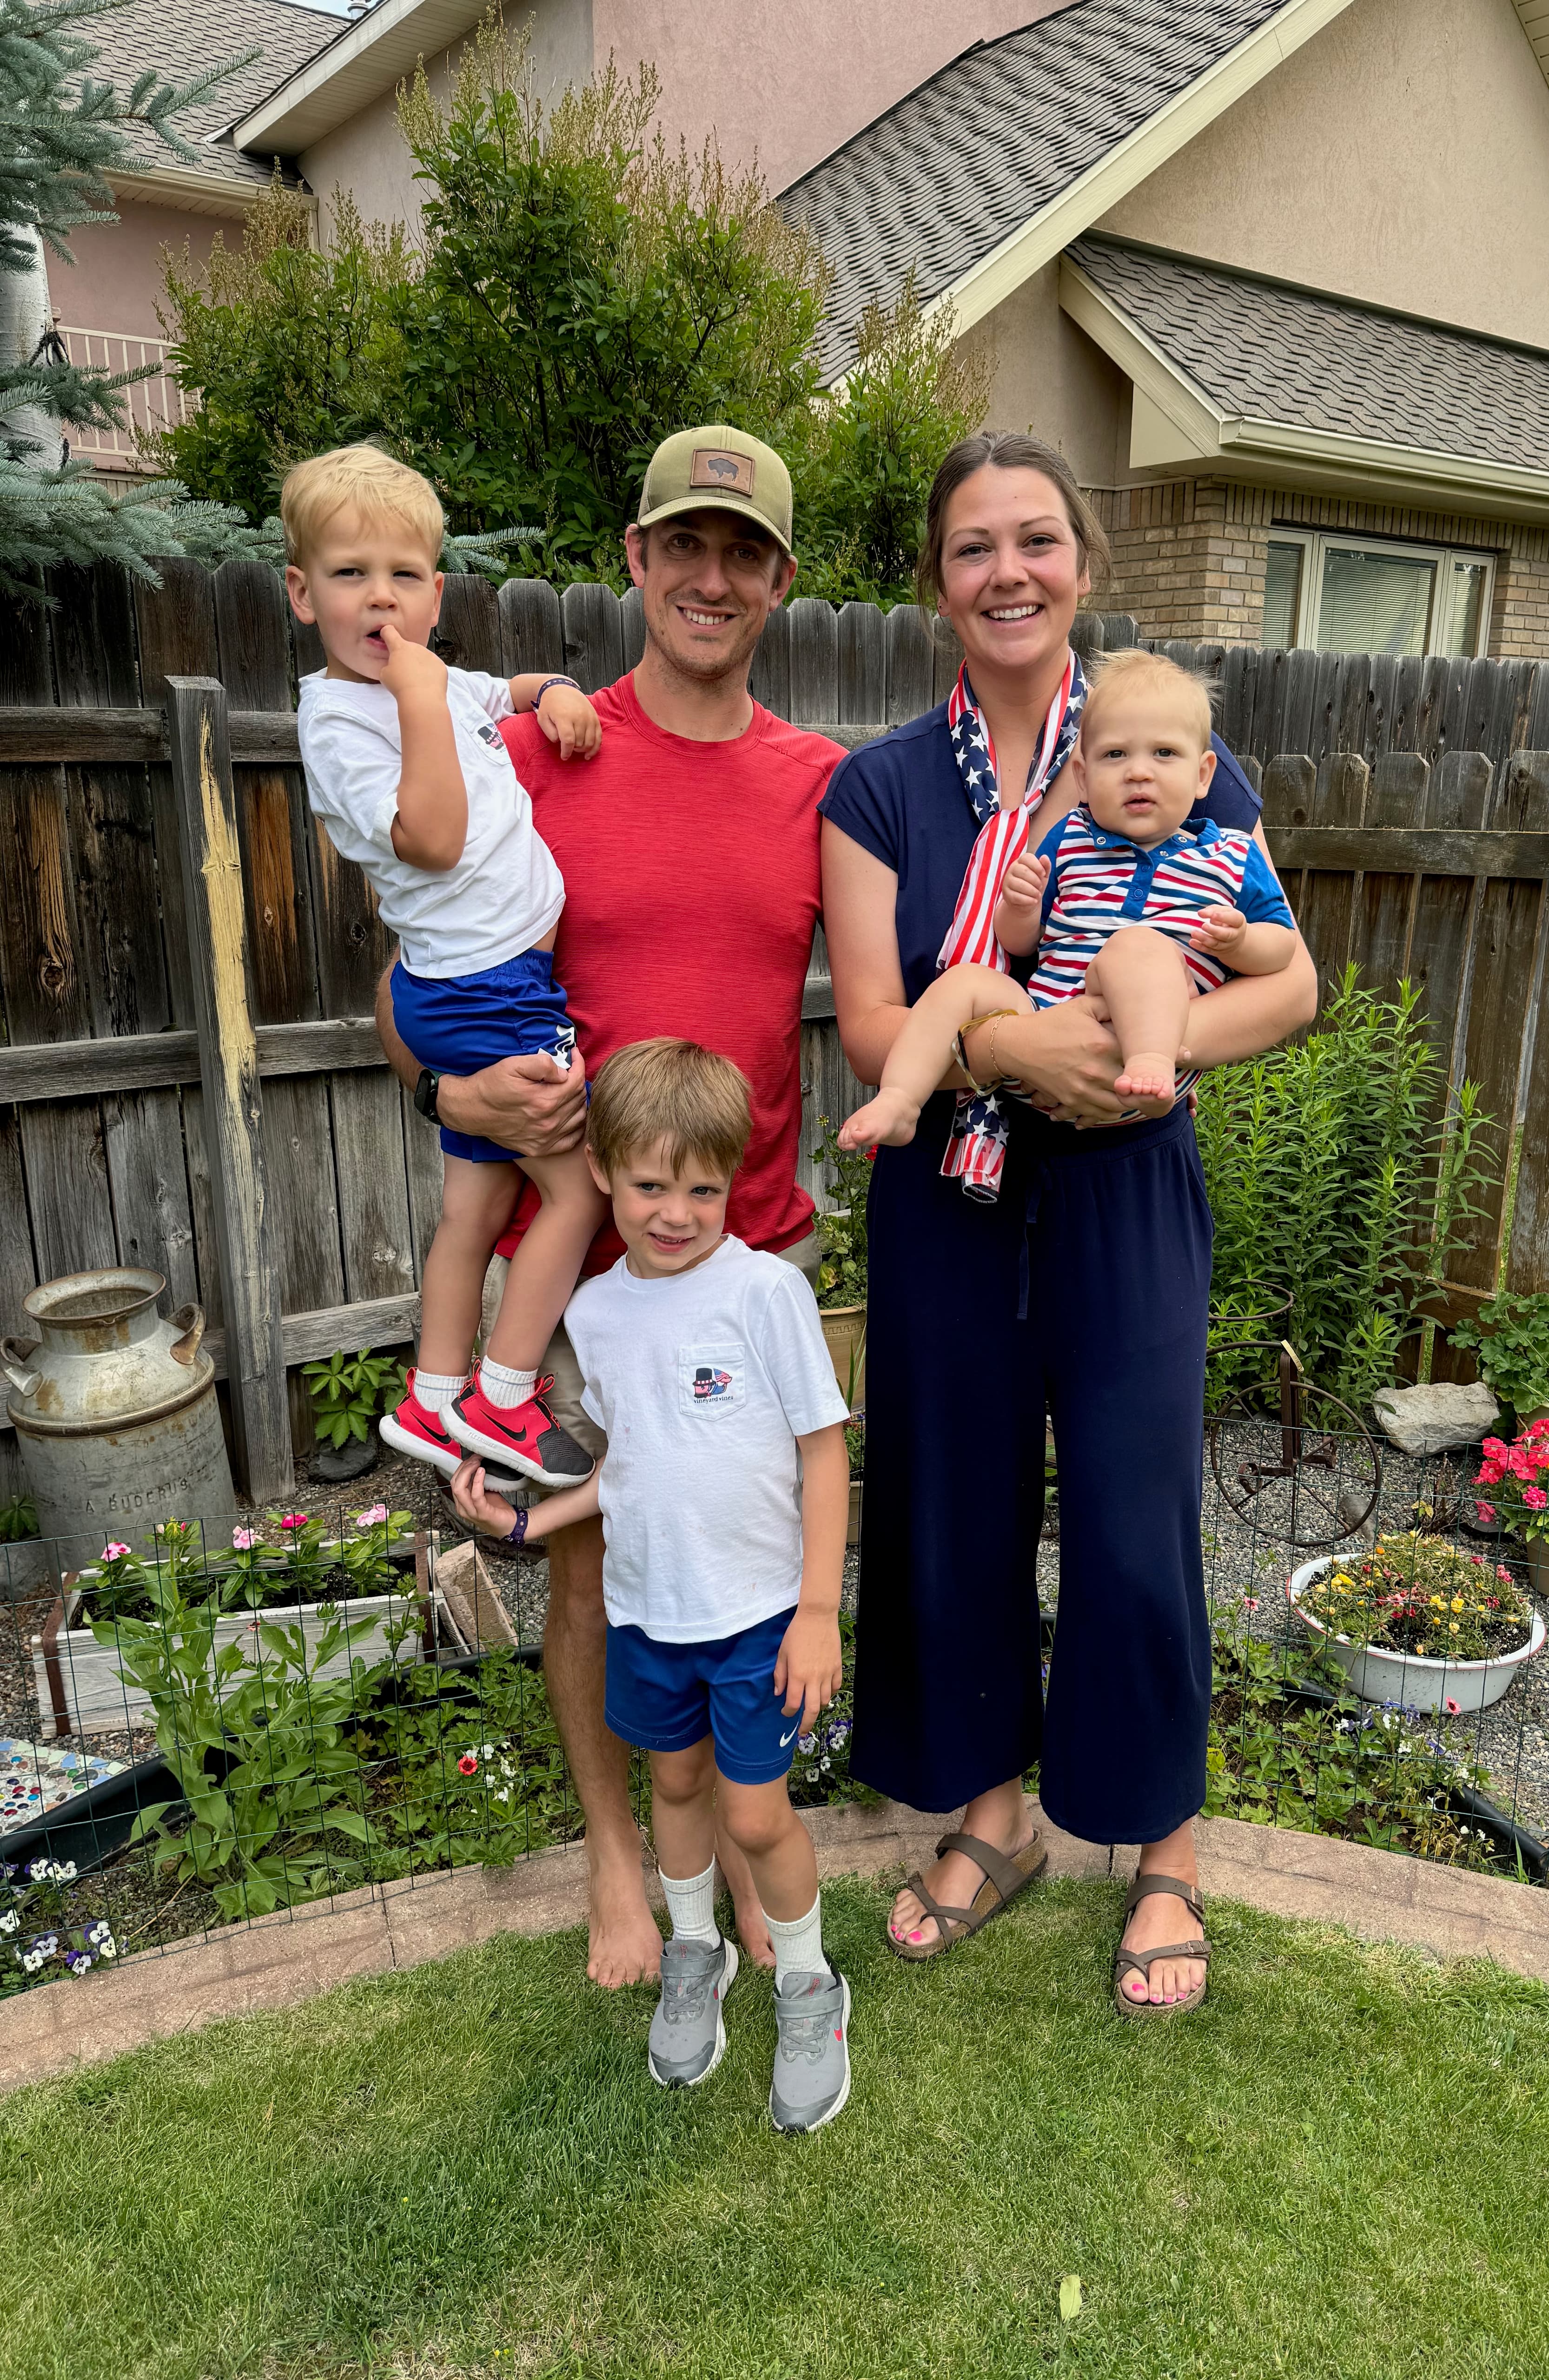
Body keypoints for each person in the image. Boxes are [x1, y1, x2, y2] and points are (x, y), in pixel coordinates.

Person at [821, 431, 1317, 2015]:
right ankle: (990, 1818)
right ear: (937, 585)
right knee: (955, 1505)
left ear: (1083, 567)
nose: (1010, 570)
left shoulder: (1170, 744)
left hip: (1126, 1189)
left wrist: (1135, 1077)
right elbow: (869, 1026)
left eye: (1038, 538)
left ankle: (1163, 1847)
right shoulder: (881, 786)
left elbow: (1289, 983)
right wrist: (1011, 1044)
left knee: (1131, 1510)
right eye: (974, 546)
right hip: (953, 1185)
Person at [374, 426, 843, 1987]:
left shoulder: (822, 788)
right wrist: (448, 1096)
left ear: (779, 581)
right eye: (684, 547)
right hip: (569, 1262)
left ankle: (735, 1845)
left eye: (745, 554)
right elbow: (409, 983)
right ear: (636, 559)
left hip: (755, 1245)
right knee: (594, 1568)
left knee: (739, 1567)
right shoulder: (532, 755)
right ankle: (618, 1863)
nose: (713, 579)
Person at [450, 1038, 853, 2132]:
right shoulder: (595, 1314)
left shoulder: (766, 1292)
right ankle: (694, 1954)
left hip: (759, 1618)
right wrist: (528, 1519)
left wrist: (816, 1612)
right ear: (604, 1175)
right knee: (672, 1790)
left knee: (757, 1817)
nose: (675, 1211)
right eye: (648, 1184)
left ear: (732, 1180)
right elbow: (624, 1465)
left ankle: (811, 1984)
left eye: (702, 1187)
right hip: (647, 1613)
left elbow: (824, 1454)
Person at [285, 445, 604, 1492]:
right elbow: (428, 836)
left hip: (478, 987)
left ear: (435, 590)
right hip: (489, 993)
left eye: (405, 575)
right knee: (579, 1193)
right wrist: (419, 691)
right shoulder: (340, 721)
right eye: (350, 574)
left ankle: (429, 1397)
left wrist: (548, 685)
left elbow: (492, 690)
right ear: (302, 594)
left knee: (473, 1211)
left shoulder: (435, 679)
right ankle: (502, 1398)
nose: (381, 597)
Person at [838, 647, 1296, 1193]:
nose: (1140, 771)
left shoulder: (1230, 856)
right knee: (962, 983)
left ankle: (1146, 1058)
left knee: (1140, 949)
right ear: (1083, 774)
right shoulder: (1072, 842)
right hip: (1040, 1026)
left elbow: (1283, 951)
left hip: (1140, 1071)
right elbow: (1019, 942)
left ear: (1204, 775)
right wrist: (1020, 907)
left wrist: (1242, 943)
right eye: (1116, 755)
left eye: (1164, 754)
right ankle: (901, 1098)